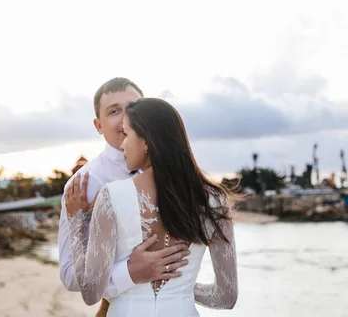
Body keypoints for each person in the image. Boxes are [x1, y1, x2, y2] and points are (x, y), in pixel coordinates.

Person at [65, 98, 238, 316]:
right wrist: (181, 286)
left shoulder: (112, 197)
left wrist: (77, 223)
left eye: (126, 134)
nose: (121, 145)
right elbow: (226, 297)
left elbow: (90, 292)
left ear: (146, 141)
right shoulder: (215, 201)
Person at [58, 77, 189, 317]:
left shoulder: (174, 175)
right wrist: (128, 272)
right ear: (98, 125)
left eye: (133, 107)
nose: (126, 118)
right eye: (114, 111)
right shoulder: (84, 184)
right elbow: (69, 275)